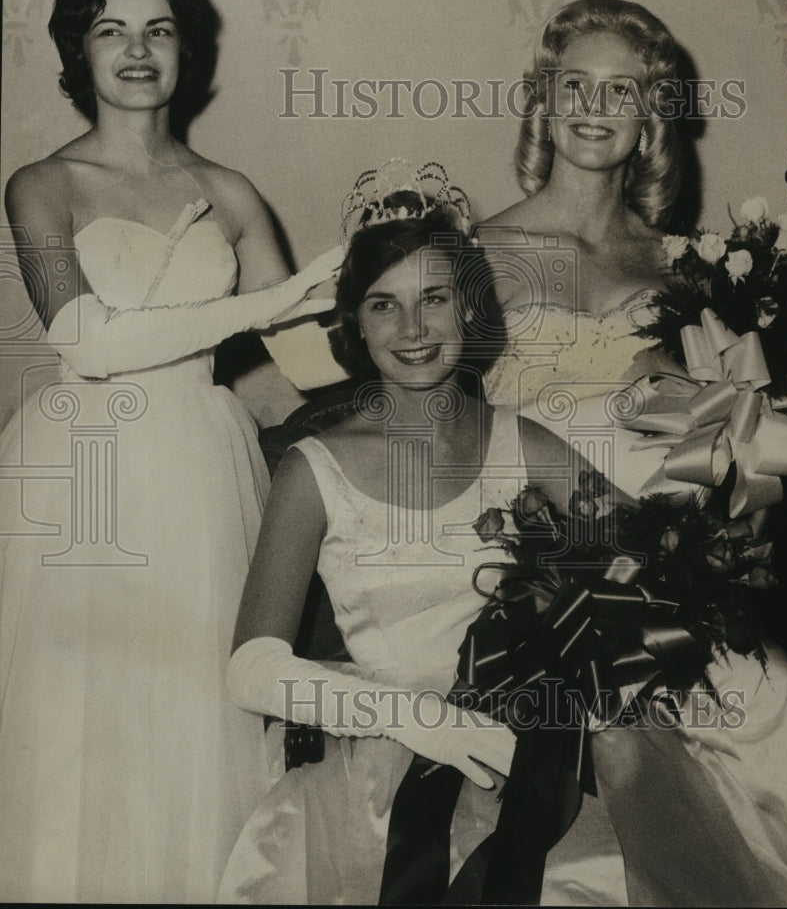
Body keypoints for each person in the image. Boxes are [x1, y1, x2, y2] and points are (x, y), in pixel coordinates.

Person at [475, 0, 787, 906]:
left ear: (652, 119)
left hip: (665, 562)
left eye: (624, 92)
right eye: (576, 86)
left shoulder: (680, 268)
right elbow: (447, 428)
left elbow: (721, 444)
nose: (595, 108)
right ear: (542, 100)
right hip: (526, 560)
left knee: (774, 694)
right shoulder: (482, 251)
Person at [0, 0, 340, 903]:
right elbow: (87, 341)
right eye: (112, 29)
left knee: (195, 719)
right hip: (85, 478)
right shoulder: (42, 184)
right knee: (79, 725)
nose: (138, 48)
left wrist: (393, 270)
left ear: (185, 49)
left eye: (159, 28)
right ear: (78, 52)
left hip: (200, 474)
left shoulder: (228, 193)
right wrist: (269, 303)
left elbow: (301, 364)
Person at [216, 164, 642, 904]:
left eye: (433, 299)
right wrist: (419, 720)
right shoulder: (314, 467)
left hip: (535, 744)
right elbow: (251, 668)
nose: (412, 330)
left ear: (469, 311)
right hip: (381, 754)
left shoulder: (526, 443)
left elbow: (651, 564)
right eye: (384, 305)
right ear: (353, 325)